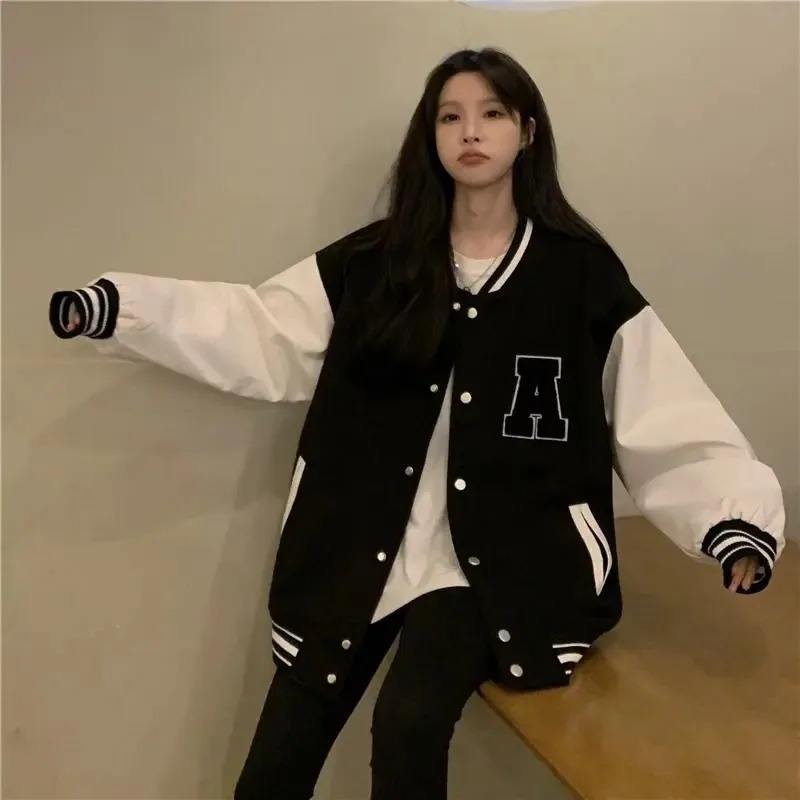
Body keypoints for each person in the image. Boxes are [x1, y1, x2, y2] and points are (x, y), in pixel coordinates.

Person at [49, 47, 785, 800]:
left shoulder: (579, 277)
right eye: (450, 117)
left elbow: (658, 401)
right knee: (274, 767)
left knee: (408, 723)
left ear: (527, 131)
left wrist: (730, 520)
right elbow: (260, 327)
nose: (471, 132)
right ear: (430, 137)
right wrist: (121, 310)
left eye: (492, 113)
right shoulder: (377, 263)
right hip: (359, 543)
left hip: (496, 561)